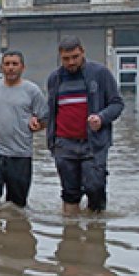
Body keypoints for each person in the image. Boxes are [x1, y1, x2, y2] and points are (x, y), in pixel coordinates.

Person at [44, 36, 124, 215]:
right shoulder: (54, 79)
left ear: (83, 53)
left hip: (93, 144)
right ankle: (70, 235)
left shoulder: (100, 74)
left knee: (95, 187)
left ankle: (95, 234)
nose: (71, 62)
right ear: (60, 57)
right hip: (64, 144)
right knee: (70, 193)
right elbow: (51, 111)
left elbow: (117, 104)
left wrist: (101, 118)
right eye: (66, 59)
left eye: (75, 57)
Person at [0, 50, 48, 208]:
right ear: (1, 68)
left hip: (20, 152)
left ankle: (15, 230)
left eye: (15, 64)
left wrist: (37, 125)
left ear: (23, 67)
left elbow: (45, 119)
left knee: (16, 205)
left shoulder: (32, 91)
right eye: (7, 64)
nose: (11, 68)